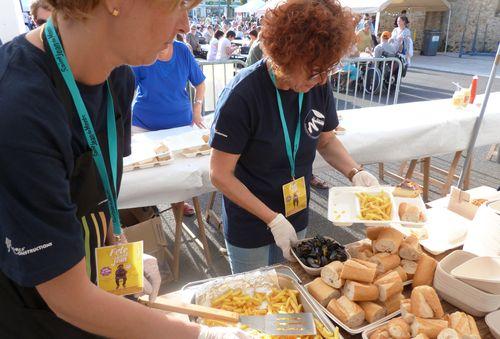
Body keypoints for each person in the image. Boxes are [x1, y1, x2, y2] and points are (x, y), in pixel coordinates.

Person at [0, 0, 249, 337]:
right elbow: (66, 298)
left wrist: (117, 248)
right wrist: (202, 335)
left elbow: (96, 196)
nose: (186, 27)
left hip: (95, 290)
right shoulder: (19, 107)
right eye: (179, 5)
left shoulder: (117, 76)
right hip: (41, 316)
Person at [209, 0, 379, 274]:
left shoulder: (317, 83)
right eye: (315, 70)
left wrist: (354, 171)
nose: (323, 79)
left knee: (291, 292)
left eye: (328, 69)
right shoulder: (242, 95)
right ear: (286, 56)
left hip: (295, 211)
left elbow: (325, 139)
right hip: (250, 221)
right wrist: (271, 219)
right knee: (255, 300)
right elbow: (220, 174)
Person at [132, 40, 207, 217]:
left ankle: (179, 201)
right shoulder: (142, 49)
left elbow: (200, 83)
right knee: (146, 171)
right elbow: (127, 89)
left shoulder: (182, 51)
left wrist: (197, 109)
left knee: (179, 172)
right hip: (144, 125)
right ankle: (147, 207)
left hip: (180, 123)